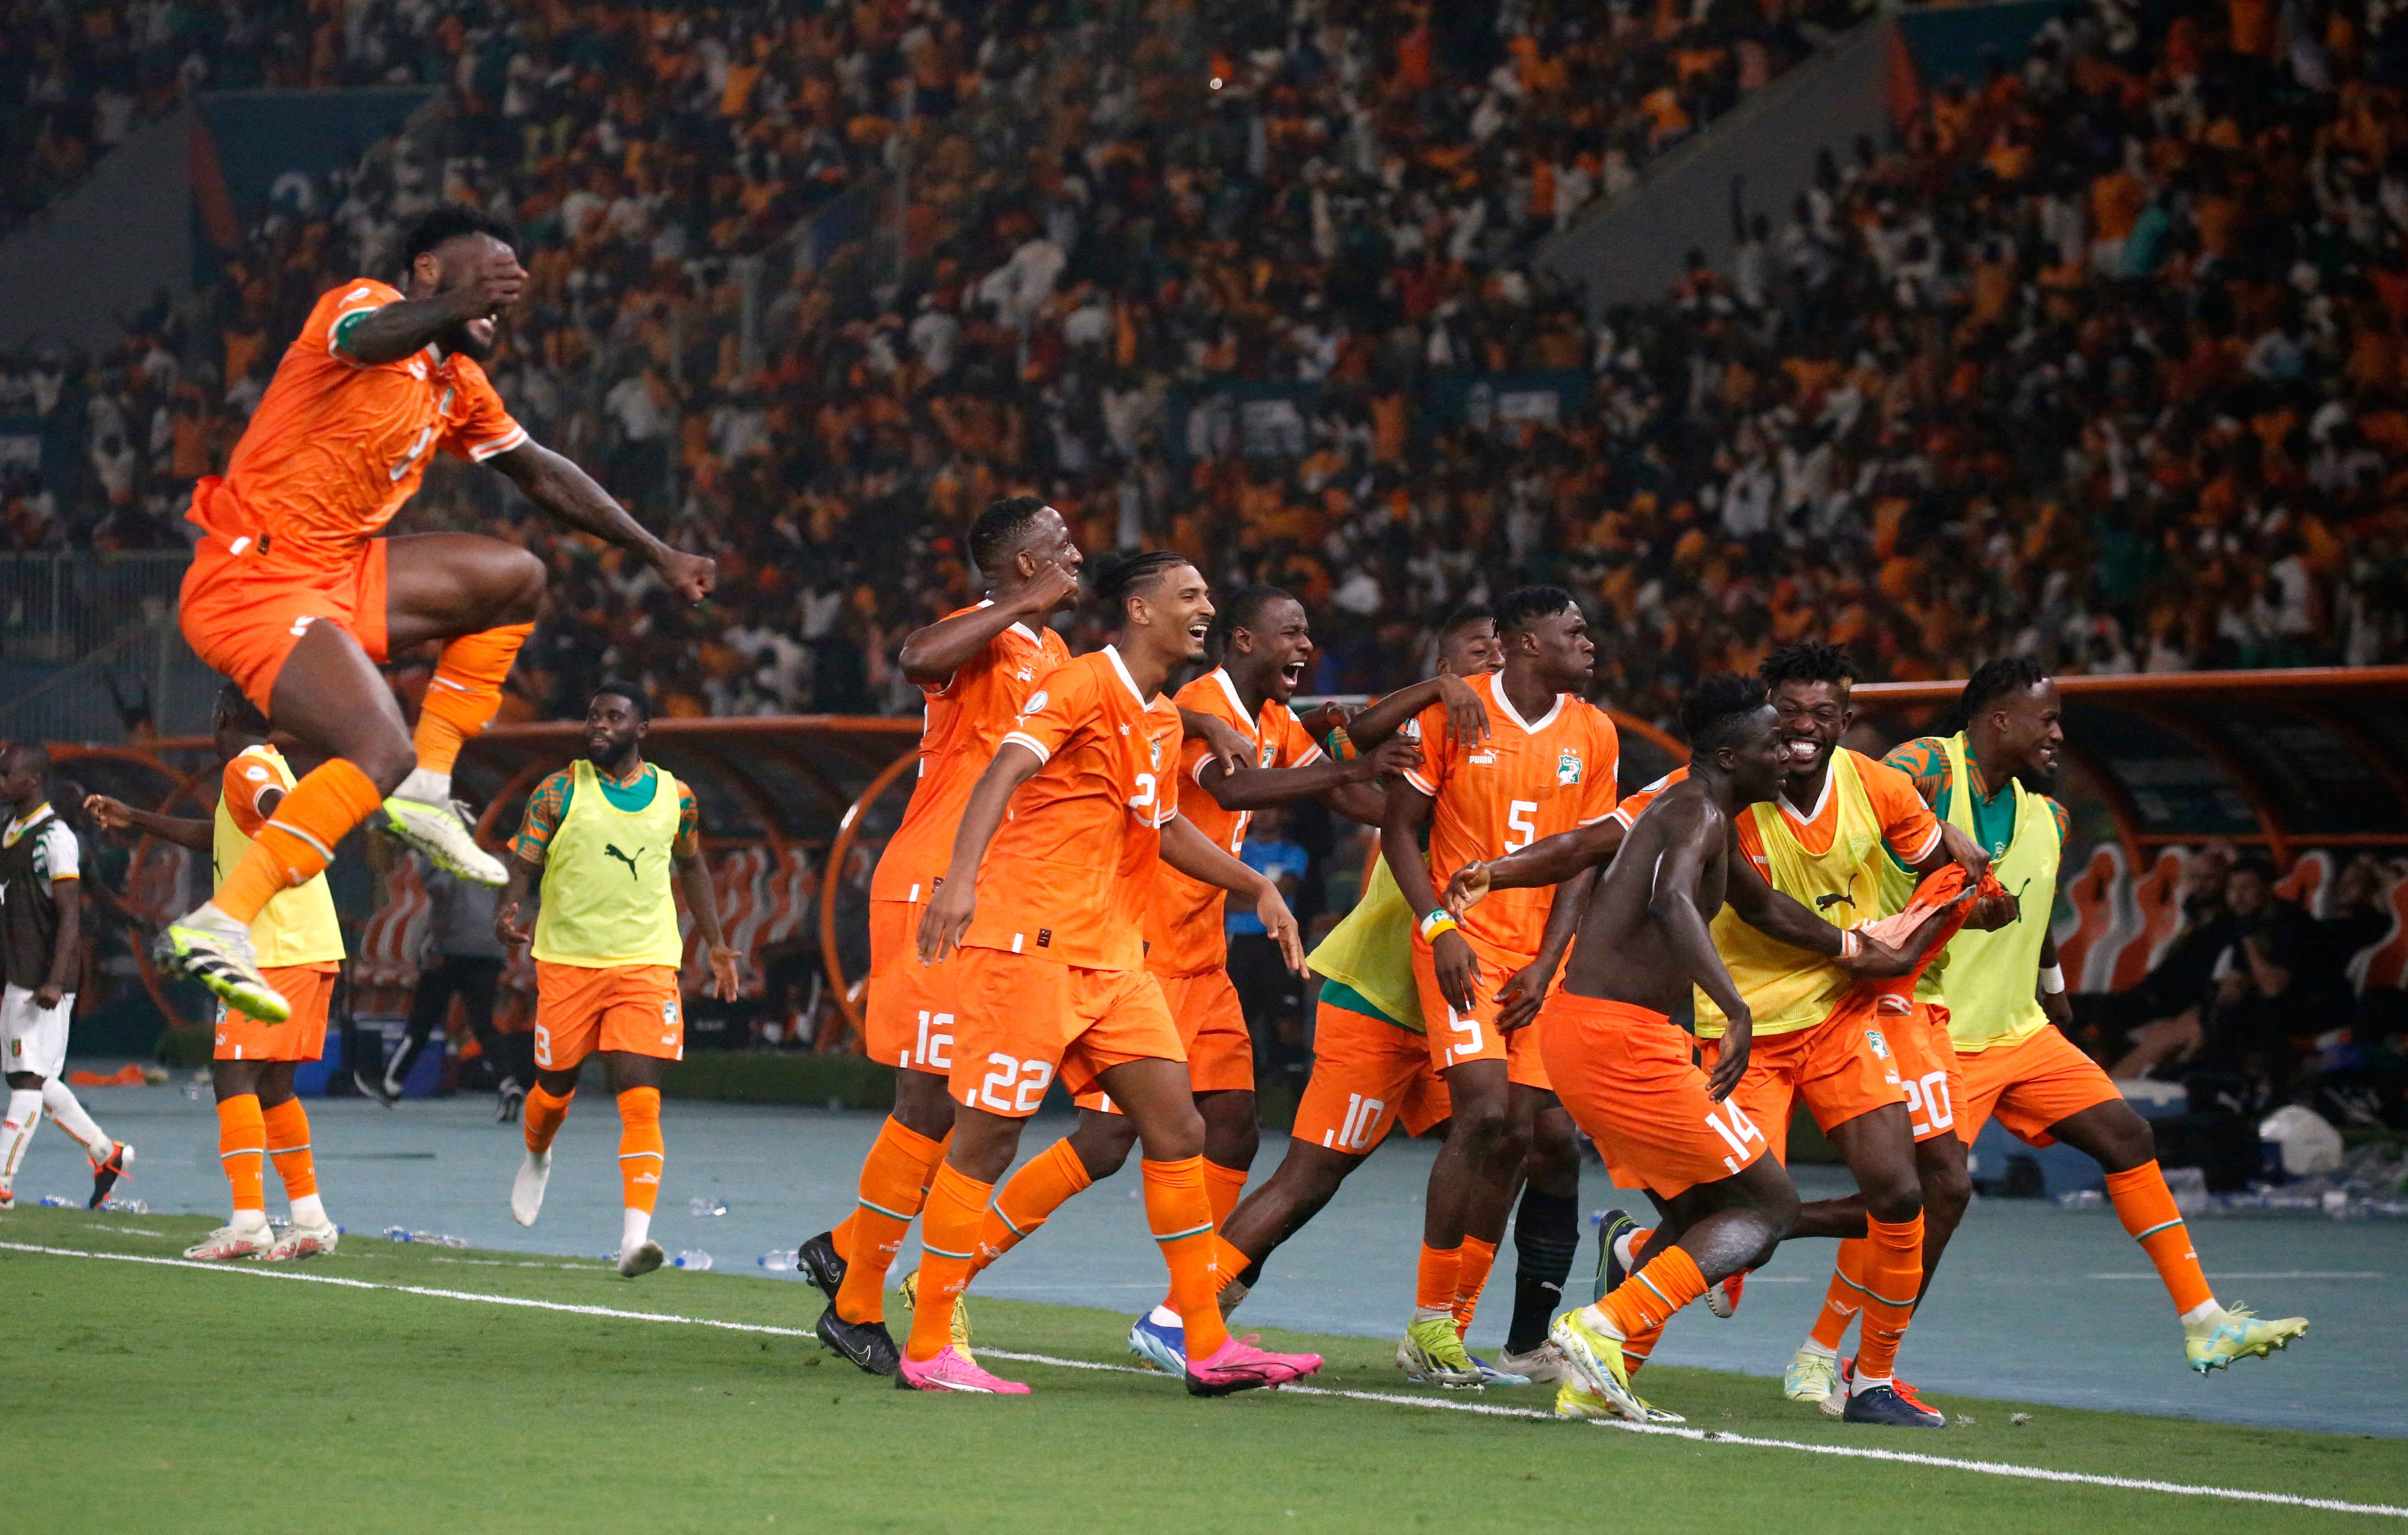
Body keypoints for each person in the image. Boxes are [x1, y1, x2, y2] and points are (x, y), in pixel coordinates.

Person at [152, 205, 716, 1026]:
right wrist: (459, 306)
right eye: (485, 273)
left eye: (506, 285)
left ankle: (429, 785)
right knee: (373, 748)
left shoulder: (457, 384)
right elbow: (370, 338)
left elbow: (546, 476)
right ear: (425, 272)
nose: (500, 296)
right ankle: (221, 923)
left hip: (338, 571)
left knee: (516, 578)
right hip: (253, 579)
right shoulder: (361, 307)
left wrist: (657, 551)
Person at [1463, 641, 1991, 1415]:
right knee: (1770, 1208)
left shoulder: (1714, 809)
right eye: (1773, 740)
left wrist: (1855, 947)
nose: (1788, 751)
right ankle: (1604, 1322)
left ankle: (1593, 1381)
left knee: (1697, 1217)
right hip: (1627, 1042)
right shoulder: (1696, 809)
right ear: (1727, 754)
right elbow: (1674, 900)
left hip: (1602, 1034)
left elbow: (1762, 907)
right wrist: (1734, 1005)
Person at [892, 550, 1323, 1396]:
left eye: (1206, 594)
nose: (1203, 608)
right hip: (1027, 946)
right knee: (987, 1139)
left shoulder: (1162, 718)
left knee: (1181, 1130)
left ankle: (1203, 1339)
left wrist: (1257, 884)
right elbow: (1001, 771)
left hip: (1115, 959)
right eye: (1188, 595)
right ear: (1139, 608)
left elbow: (1163, 827)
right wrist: (960, 883)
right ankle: (929, 1342)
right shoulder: (1081, 683)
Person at [1879, 659, 2309, 1374]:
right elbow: (1876, 793)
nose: (2057, 733)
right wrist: (1928, 837)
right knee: (1919, 1204)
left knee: (2126, 1135)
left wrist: (2050, 981)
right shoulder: (1929, 763)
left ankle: (2203, 1320)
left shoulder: (2045, 813)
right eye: (2045, 719)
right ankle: (1846, 1355)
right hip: (1940, 1034)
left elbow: (2034, 898)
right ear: (1997, 721)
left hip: (2022, 1031)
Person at [1209, 605, 1585, 1385]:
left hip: (1473, 990)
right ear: (1442, 668)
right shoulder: (1421, 745)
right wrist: (1414, 705)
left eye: (1495, 652)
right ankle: (1200, 1301)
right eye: (1469, 656)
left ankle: (1472, 1330)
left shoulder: (1538, 743)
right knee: (1318, 1171)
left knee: (1530, 1140)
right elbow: (1348, 770)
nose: (1486, 667)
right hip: (1385, 991)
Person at [1113, 582, 1480, 1372]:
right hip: (1145, 940)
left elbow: (1352, 787)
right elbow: (1234, 787)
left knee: (1239, 1123)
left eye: (1308, 632)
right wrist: (1398, 735)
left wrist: (1417, 795)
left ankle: (1192, 1306)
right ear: (1243, 641)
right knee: (1109, 1133)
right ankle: (955, 1274)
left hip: (1201, 946)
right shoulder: (1202, 699)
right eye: (1291, 633)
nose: (1306, 647)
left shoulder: (1275, 719)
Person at [795, 496, 1080, 1358]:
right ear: (1024, 565)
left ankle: (848, 1252)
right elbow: (915, 655)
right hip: (933, 883)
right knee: (929, 1099)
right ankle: (856, 1299)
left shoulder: (1056, 648)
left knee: (965, 1103)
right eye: (1058, 543)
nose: (1075, 552)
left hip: (1005, 893)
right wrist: (1020, 607)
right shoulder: (979, 628)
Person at [1377, 586, 1618, 1388]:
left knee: (1521, 1135)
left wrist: (1551, 962)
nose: (1587, 639)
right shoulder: (1456, 711)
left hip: (1539, 958)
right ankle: (1427, 1321)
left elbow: (1583, 857)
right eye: (1571, 629)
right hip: (1461, 944)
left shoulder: (1594, 730)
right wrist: (1437, 927)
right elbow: (1396, 828)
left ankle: (1463, 1326)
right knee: (1480, 1110)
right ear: (1522, 642)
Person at [85, 687, 345, 1259]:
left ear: (221, 716)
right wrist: (138, 818)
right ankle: (310, 1219)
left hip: (276, 948)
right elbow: (221, 835)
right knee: (272, 1083)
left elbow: (282, 812)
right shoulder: (270, 761)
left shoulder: (247, 767)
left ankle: (249, 1222)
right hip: (310, 944)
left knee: (232, 1074)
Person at [493, 683, 740, 1278]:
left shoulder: (675, 797)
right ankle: (537, 1152)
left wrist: (717, 943)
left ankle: (635, 1238)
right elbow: (523, 863)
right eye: (592, 715)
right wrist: (507, 911)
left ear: (641, 729)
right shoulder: (557, 790)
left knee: (640, 1094)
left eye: (613, 716)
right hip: (567, 963)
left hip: (646, 964)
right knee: (553, 1091)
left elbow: (692, 864)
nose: (598, 725)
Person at [0, 744, 133, 1212]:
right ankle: (107, 1152)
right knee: (34, 1075)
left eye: (5, 774)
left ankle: (3, 1182)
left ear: (32, 780)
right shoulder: (11, 832)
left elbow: (71, 916)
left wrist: (57, 979)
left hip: (44, 981)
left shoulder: (55, 838)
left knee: (28, 1081)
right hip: (17, 973)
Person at [364, 847, 527, 1119]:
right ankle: (508, 1082)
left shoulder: (439, 856)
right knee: (484, 1023)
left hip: (449, 948)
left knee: (422, 1021)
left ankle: (391, 1084)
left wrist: (434, 946)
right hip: (489, 947)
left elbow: (442, 898)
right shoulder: (495, 859)